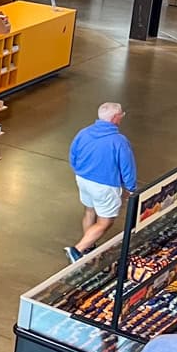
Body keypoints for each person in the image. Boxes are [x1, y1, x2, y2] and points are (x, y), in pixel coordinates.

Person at [65, 102, 137, 263]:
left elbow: (73, 154)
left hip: (83, 179)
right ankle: (77, 250)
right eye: (121, 116)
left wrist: (79, 171)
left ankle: (89, 249)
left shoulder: (84, 133)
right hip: (105, 185)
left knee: (89, 211)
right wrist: (131, 188)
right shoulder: (118, 141)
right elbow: (127, 166)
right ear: (115, 118)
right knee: (105, 221)